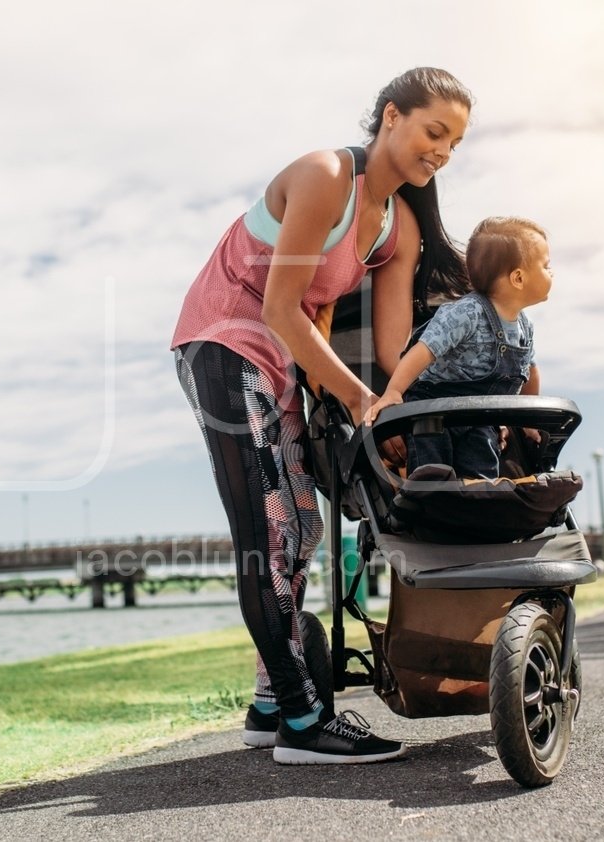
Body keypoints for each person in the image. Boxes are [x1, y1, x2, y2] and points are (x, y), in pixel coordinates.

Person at [171, 68, 473, 765]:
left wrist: (402, 408)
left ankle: (270, 704)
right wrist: (356, 398)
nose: (443, 152)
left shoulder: (395, 229)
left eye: (455, 143)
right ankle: (305, 723)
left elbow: (393, 349)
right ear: (391, 117)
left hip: (278, 362)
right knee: (269, 529)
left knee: (304, 525)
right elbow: (280, 308)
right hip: (224, 343)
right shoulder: (325, 175)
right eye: (435, 131)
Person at [362, 216, 552, 479]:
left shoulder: (525, 327)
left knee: (480, 478)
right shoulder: (467, 313)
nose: (551, 273)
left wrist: (528, 421)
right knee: (432, 476)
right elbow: (423, 350)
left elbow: (529, 372)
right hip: (433, 410)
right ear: (518, 278)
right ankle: (429, 509)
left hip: (479, 417)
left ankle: (474, 514)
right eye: (546, 266)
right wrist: (394, 391)